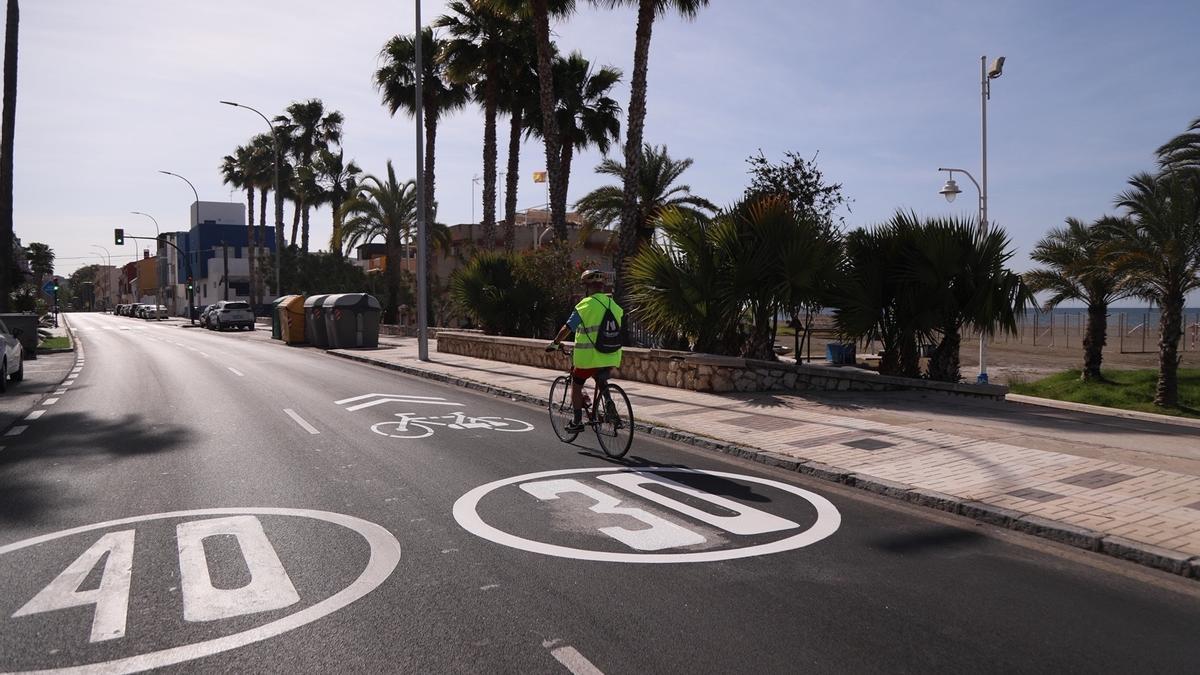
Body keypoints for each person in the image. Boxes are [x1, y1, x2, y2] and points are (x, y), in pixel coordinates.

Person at [547, 269, 624, 432]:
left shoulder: (585, 305)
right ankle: (610, 408)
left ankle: (576, 421)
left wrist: (555, 343)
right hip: (611, 355)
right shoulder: (614, 305)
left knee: (576, 386)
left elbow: (567, 328)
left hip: (588, 358)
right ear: (602, 286)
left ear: (587, 287)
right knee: (601, 379)